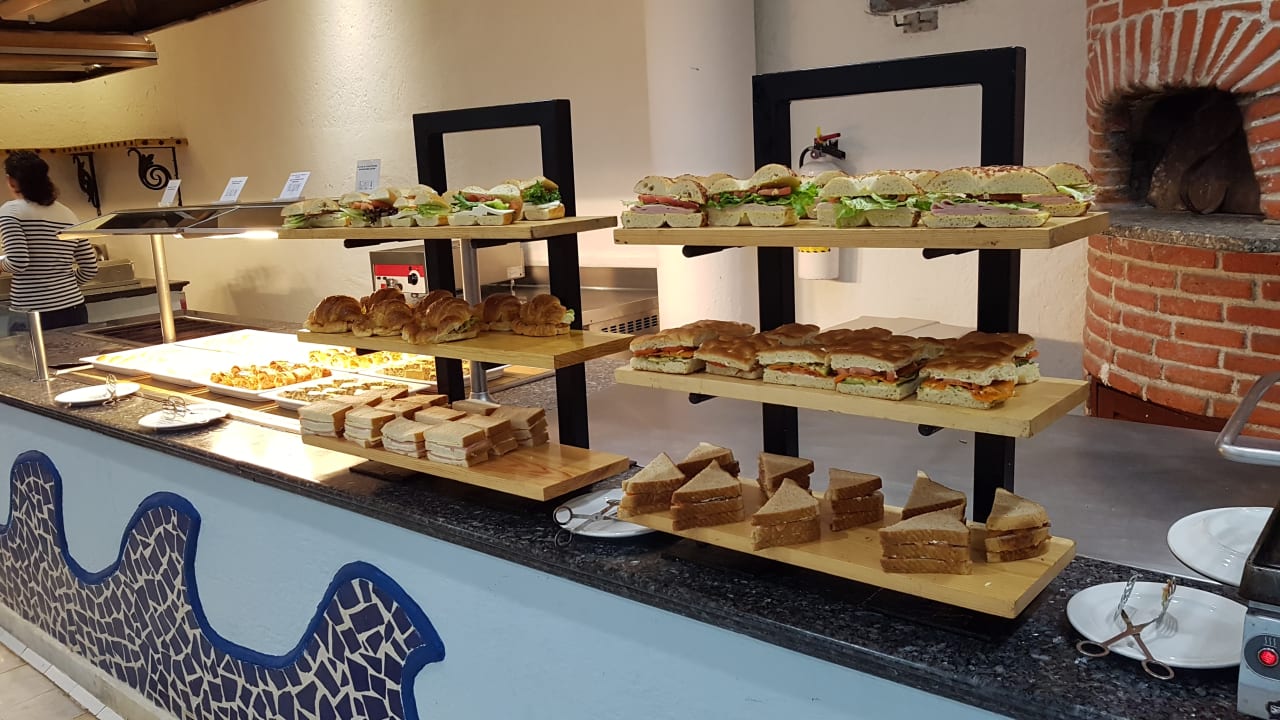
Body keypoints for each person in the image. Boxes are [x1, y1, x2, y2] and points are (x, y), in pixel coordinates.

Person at [1, 151, 97, 331]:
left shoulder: (11, 211)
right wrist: (63, 287)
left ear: (11, 180)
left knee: (29, 352)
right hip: (73, 309)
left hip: (32, 312)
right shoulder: (67, 213)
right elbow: (90, 267)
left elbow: (18, 262)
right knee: (73, 351)